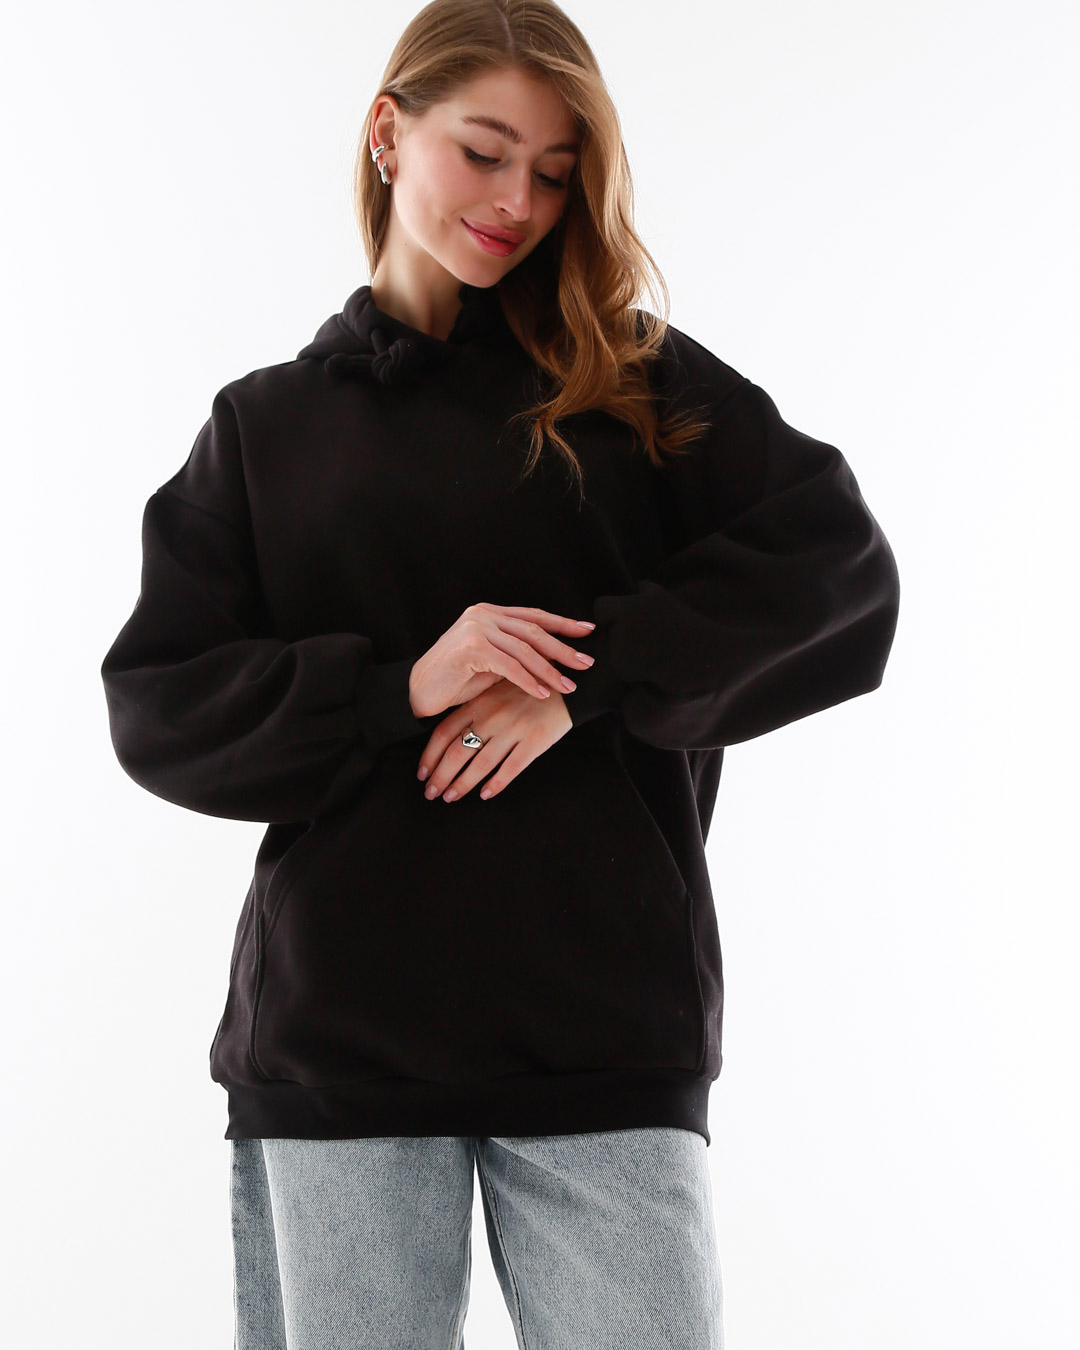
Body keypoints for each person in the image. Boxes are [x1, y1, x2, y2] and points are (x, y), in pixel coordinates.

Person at [100, 1, 901, 1345]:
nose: (517, 201)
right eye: (484, 151)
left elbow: (842, 573)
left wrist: (585, 675)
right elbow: (161, 705)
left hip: (604, 1024)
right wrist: (397, 687)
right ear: (388, 132)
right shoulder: (267, 428)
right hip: (342, 1036)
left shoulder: (635, 388)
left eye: (554, 170)